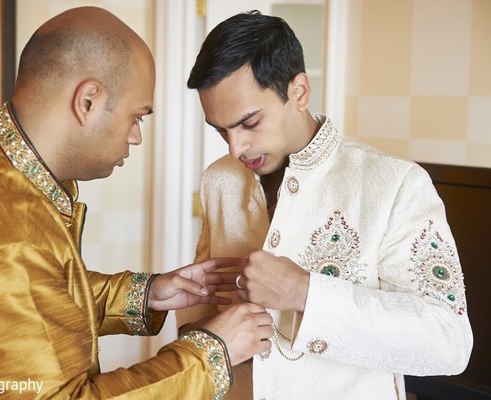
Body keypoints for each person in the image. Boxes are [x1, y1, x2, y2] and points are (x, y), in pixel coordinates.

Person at [0, 7, 275, 400]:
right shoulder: (8, 233)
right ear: (88, 100)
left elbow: (31, 301)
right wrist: (213, 351)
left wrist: (145, 294)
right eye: (136, 117)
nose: (136, 137)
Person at [176, 10, 473, 400]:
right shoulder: (220, 179)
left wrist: (304, 293)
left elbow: (448, 344)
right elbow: (201, 320)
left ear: (298, 91)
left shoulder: (395, 184)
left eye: (249, 123)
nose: (235, 148)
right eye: (221, 130)